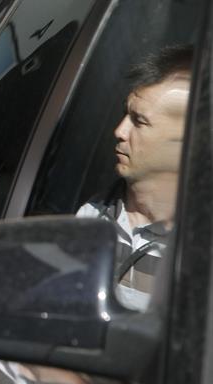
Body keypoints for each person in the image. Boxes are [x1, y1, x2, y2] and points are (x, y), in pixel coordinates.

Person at [77, 45, 193, 312]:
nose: (119, 130)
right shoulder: (91, 217)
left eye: (139, 121)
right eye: (125, 114)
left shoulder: (199, 250)